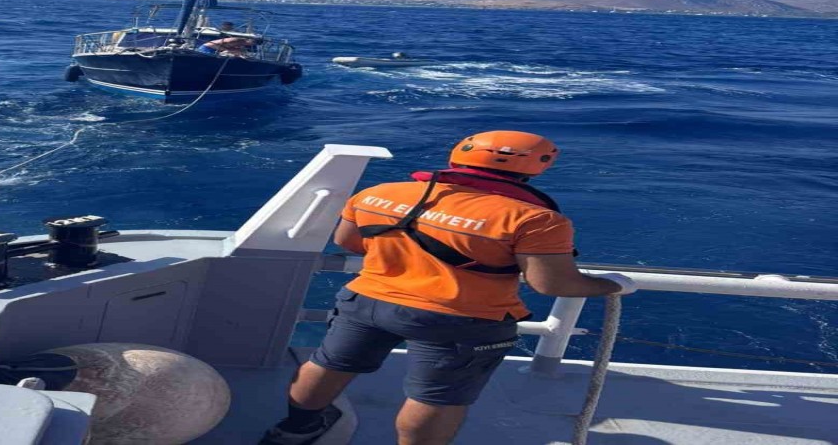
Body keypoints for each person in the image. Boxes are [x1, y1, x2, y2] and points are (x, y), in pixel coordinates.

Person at [260, 130, 637, 445]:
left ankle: (295, 430)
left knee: (328, 365)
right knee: (437, 398)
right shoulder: (536, 219)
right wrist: (611, 285)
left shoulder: (381, 193)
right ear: (538, 166)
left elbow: (349, 242)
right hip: (461, 320)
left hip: (368, 301)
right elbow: (550, 282)